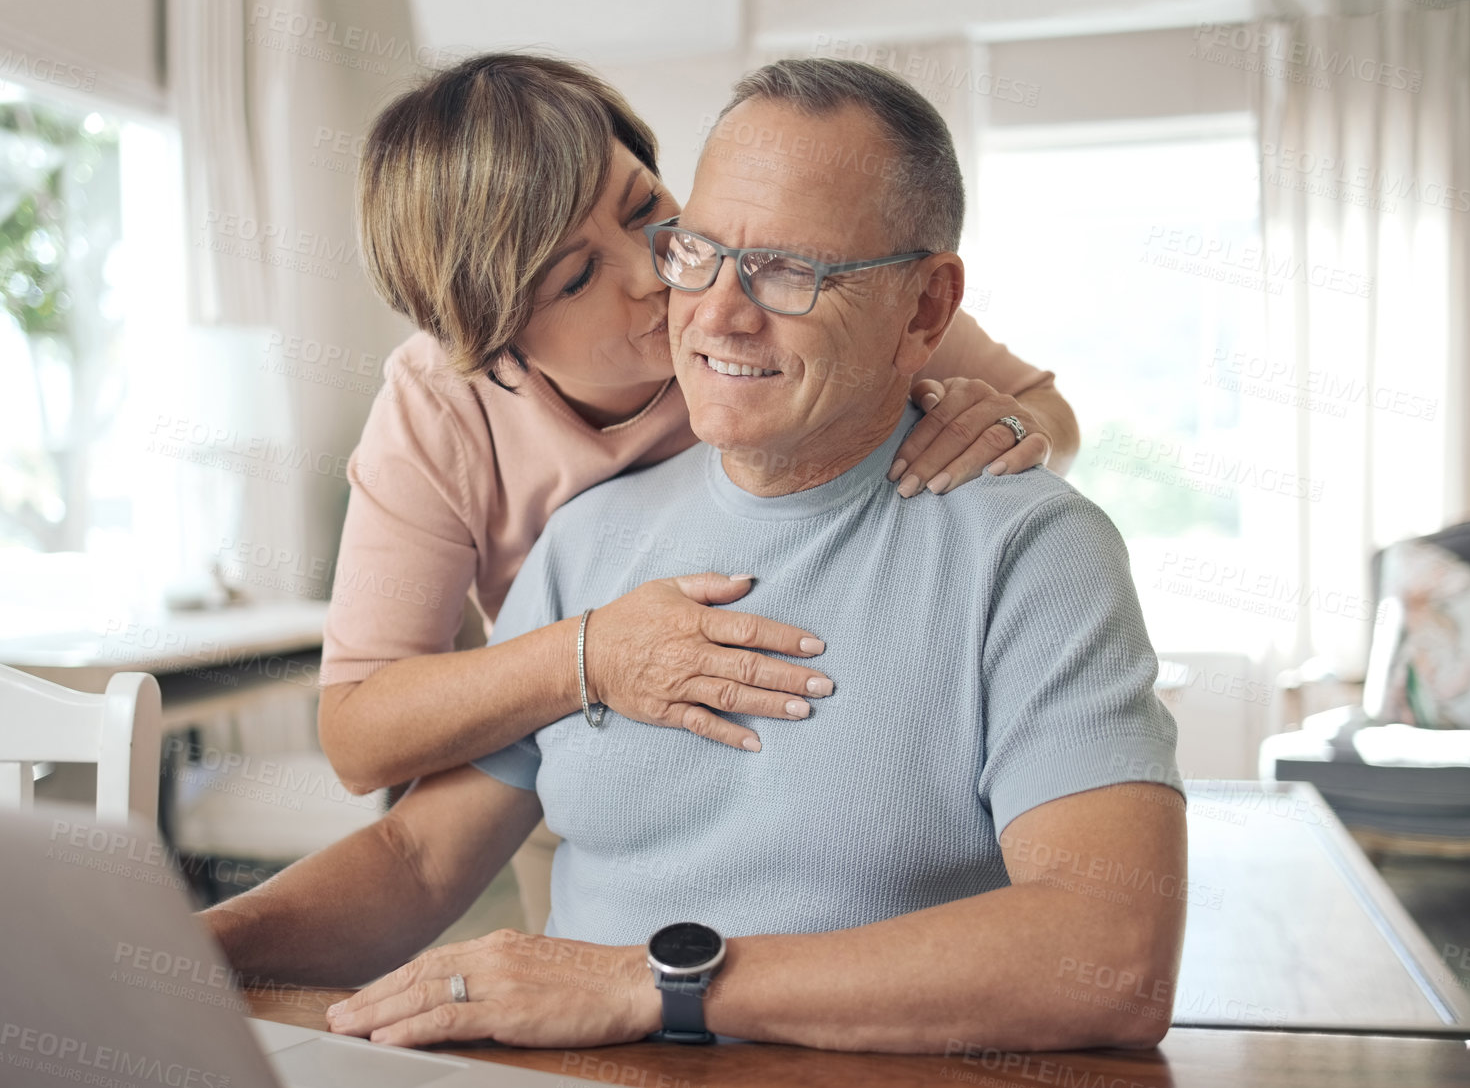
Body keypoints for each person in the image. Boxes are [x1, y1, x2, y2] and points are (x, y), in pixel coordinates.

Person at [206, 57, 1185, 1056]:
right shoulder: (567, 530)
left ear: (922, 315)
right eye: (701, 254)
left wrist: (653, 981)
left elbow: (1106, 954)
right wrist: (183, 943)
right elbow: (415, 851)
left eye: (786, 270)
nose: (704, 306)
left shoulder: (1031, 549)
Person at [318, 54, 1082, 930]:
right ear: (491, 340)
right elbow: (358, 732)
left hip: (833, 747)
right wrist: (590, 655)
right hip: (593, 764)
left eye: (646, 209)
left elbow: (1040, 407)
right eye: (575, 278)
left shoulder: (772, 297)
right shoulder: (437, 409)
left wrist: (1008, 432)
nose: (657, 275)